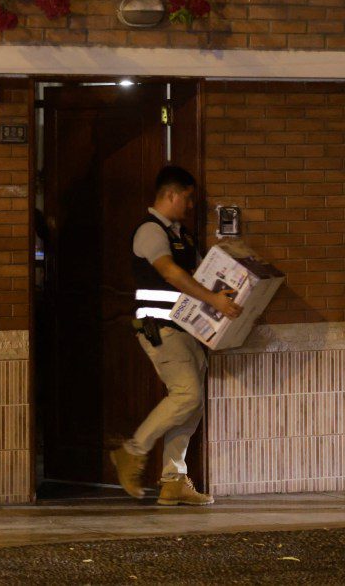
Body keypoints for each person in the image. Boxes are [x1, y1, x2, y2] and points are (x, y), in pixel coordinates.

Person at [110, 165, 242, 506]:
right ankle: (131, 452)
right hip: (159, 328)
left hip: (186, 329)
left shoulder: (180, 235)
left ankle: (173, 481)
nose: (190, 204)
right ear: (171, 195)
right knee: (187, 395)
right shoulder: (150, 232)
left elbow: (200, 273)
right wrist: (213, 299)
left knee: (192, 405)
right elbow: (169, 273)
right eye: (187, 197)